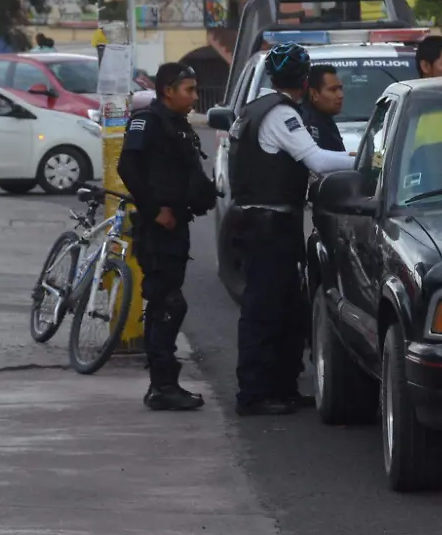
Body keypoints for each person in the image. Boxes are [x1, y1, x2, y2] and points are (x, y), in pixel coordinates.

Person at [228, 42, 355, 416]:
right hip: (268, 225)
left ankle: (280, 387)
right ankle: (253, 393)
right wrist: (364, 160)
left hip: (263, 221)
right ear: (304, 78)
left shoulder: (256, 108)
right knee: (265, 310)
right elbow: (315, 159)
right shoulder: (280, 114)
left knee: (286, 309)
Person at [117, 63, 219, 411]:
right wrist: (153, 210)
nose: (194, 97)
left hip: (177, 225)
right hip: (159, 228)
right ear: (168, 90)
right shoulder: (148, 121)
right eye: (189, 90)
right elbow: (127, 168)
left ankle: (165, 382)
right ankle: (162, 385)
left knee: (169, 302)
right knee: (165, 304)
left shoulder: (177, 123)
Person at [301, 64, 346, 152]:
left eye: (340, 89)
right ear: (314, 94)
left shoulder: (325, 119)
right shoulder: (308, 125)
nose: (341, 95)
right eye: (333, 90)